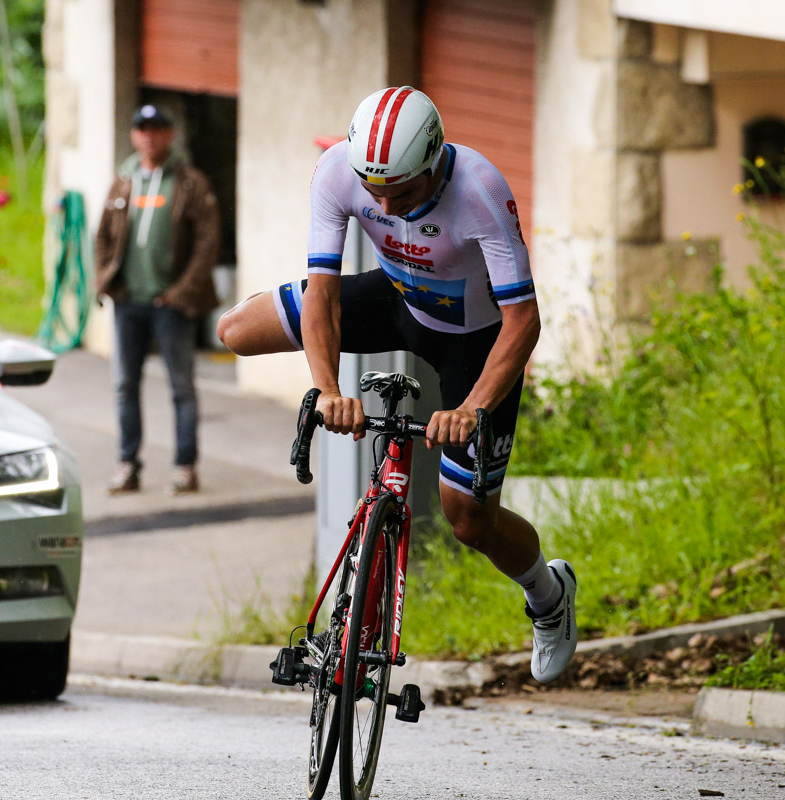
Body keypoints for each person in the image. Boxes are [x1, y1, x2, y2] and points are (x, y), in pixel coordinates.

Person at [216, 86, 578, 684]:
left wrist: (470, 406)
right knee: (235, 330)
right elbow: (325, 293)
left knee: (468, 519)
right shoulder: (337, 170)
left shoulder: (481, 191)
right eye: (373, 188)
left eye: (401, 191)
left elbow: (524, 320)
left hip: (474, 340)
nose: (382, 199)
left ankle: (548, 593)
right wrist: (327, 388)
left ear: (435, 161)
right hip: (396, 298)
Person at [95, 103, 220, 495]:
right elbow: (102, 236)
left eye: (157, 128)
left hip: (172, 305)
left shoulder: (190, 182)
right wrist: (107, 281)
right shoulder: (123, 180)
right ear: (134, 135)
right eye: (142, 128)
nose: (149, 135)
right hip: (128, 302)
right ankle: (127, 465)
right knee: (124, 385)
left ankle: (185, 467)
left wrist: (181, 292)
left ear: (169, 134)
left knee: (181, 387)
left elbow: (207, 243)